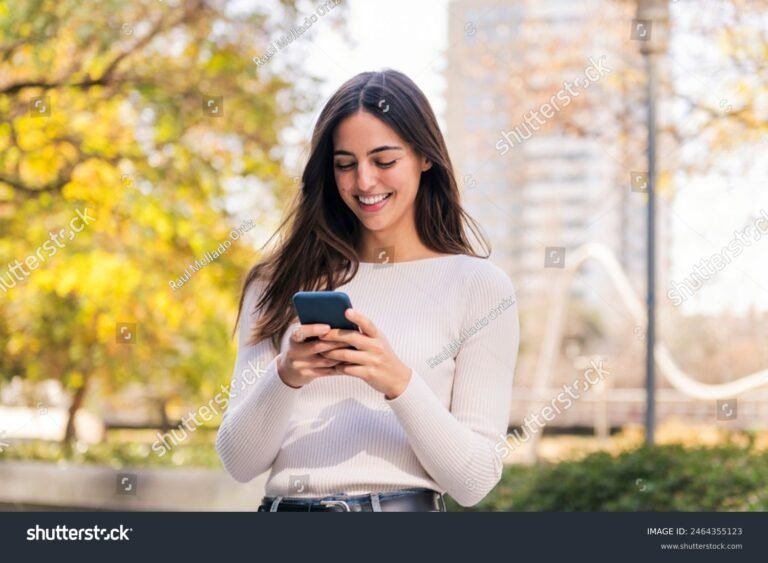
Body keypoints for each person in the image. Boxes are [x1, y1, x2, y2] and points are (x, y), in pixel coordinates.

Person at [216, 69, 519, 512]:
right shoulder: (276, 282)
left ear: (425, 157)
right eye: (345, 164)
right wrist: (286, 374)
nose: (364, 182)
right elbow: (239, 463)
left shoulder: (479, 287)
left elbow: (474, 481)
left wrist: (396, 381)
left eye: (384, 161)